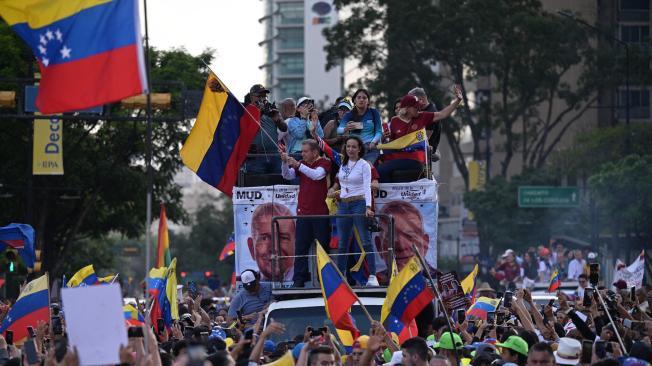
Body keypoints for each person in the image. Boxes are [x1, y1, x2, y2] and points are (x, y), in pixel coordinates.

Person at [377, 88, 462, 183]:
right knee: (379, 166)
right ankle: (390, 195)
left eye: (419, 106)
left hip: (415, 158)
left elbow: (443, 114)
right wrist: (384, 136)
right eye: (416, 106)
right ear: (406, 108)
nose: (419, 108)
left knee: (382, 169)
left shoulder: (422, 116)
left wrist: (458, 100)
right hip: (399, 157)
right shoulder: (394, 121)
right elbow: (391, 143)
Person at [280, 139, 332, 287]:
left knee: (323, 250)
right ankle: (299, 280)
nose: (302, 154)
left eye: (305, 151)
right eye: (302, 151)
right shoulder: (303, 163)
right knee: (301, 249)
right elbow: (287, 176)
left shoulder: (324, 163)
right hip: (303, 214)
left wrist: (297, 164)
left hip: (320, 214)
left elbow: (317, 175)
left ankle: (325, 281)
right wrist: (284, 162)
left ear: (315, 152)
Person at [330, 135, 378, 286]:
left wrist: (368, 207)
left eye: (354, 147)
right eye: (348, 146)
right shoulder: (343, 164)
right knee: (343, 242)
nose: (350, 149)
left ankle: (372, 276)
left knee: (365, 240)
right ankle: (341, 276)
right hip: (343, 205)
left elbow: (367, 187)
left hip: (359, 203)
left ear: (359, 149)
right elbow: (342, 183)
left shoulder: (364, 165)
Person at [243, 84, 287, 175]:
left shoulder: (271, 108)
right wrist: (260, 112)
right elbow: (245, 129)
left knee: (278, 184)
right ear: (251, 96)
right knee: (256, 185)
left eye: (264, 96)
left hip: (274, 154)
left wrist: (277, 120)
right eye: (259, 96)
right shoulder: (246, 110)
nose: (262, 98)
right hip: (256, 156)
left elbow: (284, 128)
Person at [247, 202, 296, 282]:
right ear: (251, 247)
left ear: (296, 244)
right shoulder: (245, 282)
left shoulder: (308, 280)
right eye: (264, 238)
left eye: (283, 238)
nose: (275, 248)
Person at [376, 200, 430, 271]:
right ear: (379, 246)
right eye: (391, 237)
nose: (401, 246)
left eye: (410, 236)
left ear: (425, 244)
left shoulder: (436, 279)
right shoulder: (370, 281)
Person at [336, 89, 382, 164]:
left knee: (367, 166)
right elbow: (338, 130)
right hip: (354, 148)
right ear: (354, 100)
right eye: (359, 97)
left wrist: (373, 142)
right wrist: (346, 128)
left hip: (370, 147)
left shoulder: (374, 112)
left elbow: (379, 132)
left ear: (368, 101)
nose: (361, 100)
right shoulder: (348, 114)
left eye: (364, 98)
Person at [407, 87, 441, 151]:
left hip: (426, 153)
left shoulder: (430, 113)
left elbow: (426, 138)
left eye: (413, 101)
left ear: (422, 98)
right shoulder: (427, 110)